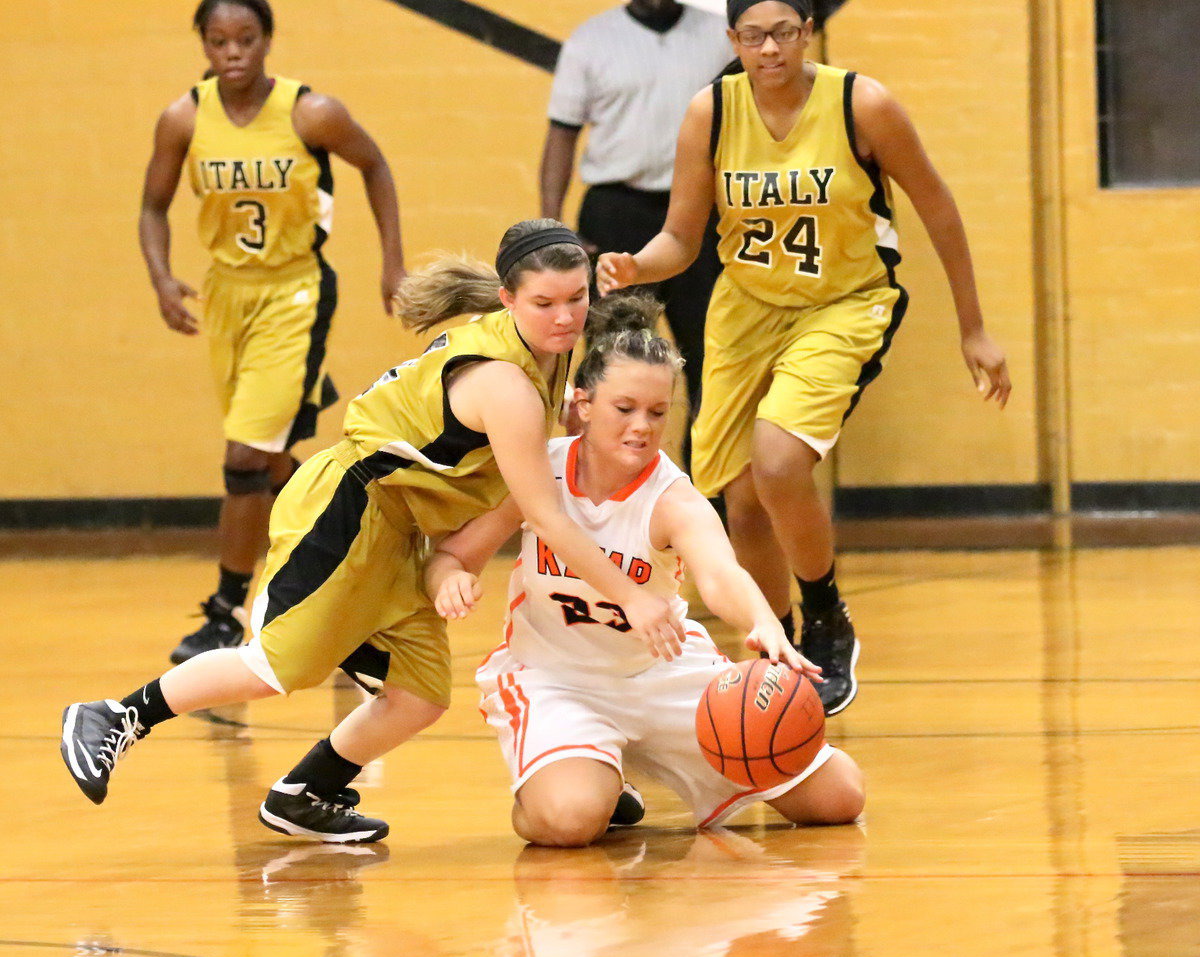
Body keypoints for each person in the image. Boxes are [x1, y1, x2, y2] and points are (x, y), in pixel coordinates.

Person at [61, 220, 686, 843]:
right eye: (544, 304)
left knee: (419, 694)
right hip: (348, 511)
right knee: (276, 666)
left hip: (400, 528)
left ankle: (309, 791)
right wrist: (630, 595)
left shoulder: (544, 354)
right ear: (508, 300)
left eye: (575, 299)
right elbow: (544, 513)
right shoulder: (506, 383)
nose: (564, 317)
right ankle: (114, 717)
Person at [597, 0, 1012, 716]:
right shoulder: (712, 113)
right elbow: (683, 236)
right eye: (753, 35)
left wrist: (973, 327)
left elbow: (938, 206)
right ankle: (776, 647)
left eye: (783, 32)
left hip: (842, 304)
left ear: (808, 32)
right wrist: (638, 265)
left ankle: (826, 616)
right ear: (732, 40)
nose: (769, 49)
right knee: (739, 496)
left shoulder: (862, 104)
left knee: (780, 463)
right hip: (746, 310)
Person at [425, 305, 865, 848]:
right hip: (557, 678)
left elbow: (721, 573)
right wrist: (450, 579)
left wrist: (761, 620)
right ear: (583, 405)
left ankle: (608, 768)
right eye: (625, 408)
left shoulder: (672, 498)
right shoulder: (537, 471)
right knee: (567, 822)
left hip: (662, 674)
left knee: (841, 797)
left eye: (657, 413)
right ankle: (585, 773)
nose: (641, 426)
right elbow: (451, 555)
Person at [139, 0, 406, 664]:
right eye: (219, 40)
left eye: (246, 39)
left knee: (243, 458)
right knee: (280, 462)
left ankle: (228, 611)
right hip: (228, 296)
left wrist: (392, 262)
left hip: (296, 291)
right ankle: (350, 590)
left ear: (267, 41)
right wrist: (162, 279)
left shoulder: (311, 112)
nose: (233, 52)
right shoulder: (183, 118)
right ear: (203, 44)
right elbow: (151, 204)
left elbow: (374, 165)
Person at [540, 0, 732, 466]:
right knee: (614, 365)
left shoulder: (719, 35)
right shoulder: (592, 39)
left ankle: (705, 500)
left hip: (704, 214)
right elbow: (561, 134)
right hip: (618, 213)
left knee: (716, 362)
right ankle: (609, 485)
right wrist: (552, 226)